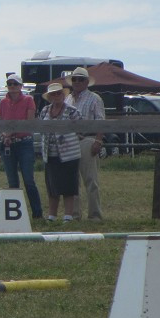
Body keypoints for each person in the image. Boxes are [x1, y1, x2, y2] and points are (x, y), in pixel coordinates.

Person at [0, 74, 44, 219]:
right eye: (10, 84)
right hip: (7, 143)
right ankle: (16, 216)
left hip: (24, 143)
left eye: (15, 84)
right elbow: (0, 122)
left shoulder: (28, 100)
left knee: (29, 180)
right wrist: (5, 136)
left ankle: (37, 213)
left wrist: (10, 134)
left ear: (20, 86)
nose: (12, 87)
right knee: (12, 181)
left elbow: (28, 123)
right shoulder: (3, 102)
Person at [65, 67, 105, 221]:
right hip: (70, 141)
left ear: (87, 82)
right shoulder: (68, 99)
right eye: (74, 79)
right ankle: (74, 214)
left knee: (91, 180)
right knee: (72, 181)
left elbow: (101, 121)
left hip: (88, 139)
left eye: (80, 79)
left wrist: (98, 140)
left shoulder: (94, 98)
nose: (77, 82)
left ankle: (95, 215)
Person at [39, 83, 82, 221]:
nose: (56, 96)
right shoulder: (45, 111)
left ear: (63, 95)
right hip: (50, 154)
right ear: (50, 97)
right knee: (52, 186)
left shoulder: (72, 111)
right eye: (53, 94)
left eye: (58, 93)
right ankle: (52, 215)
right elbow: (40, 128)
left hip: (68, 154)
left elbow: (81, 128)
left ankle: (68, 216)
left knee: (69, 186)